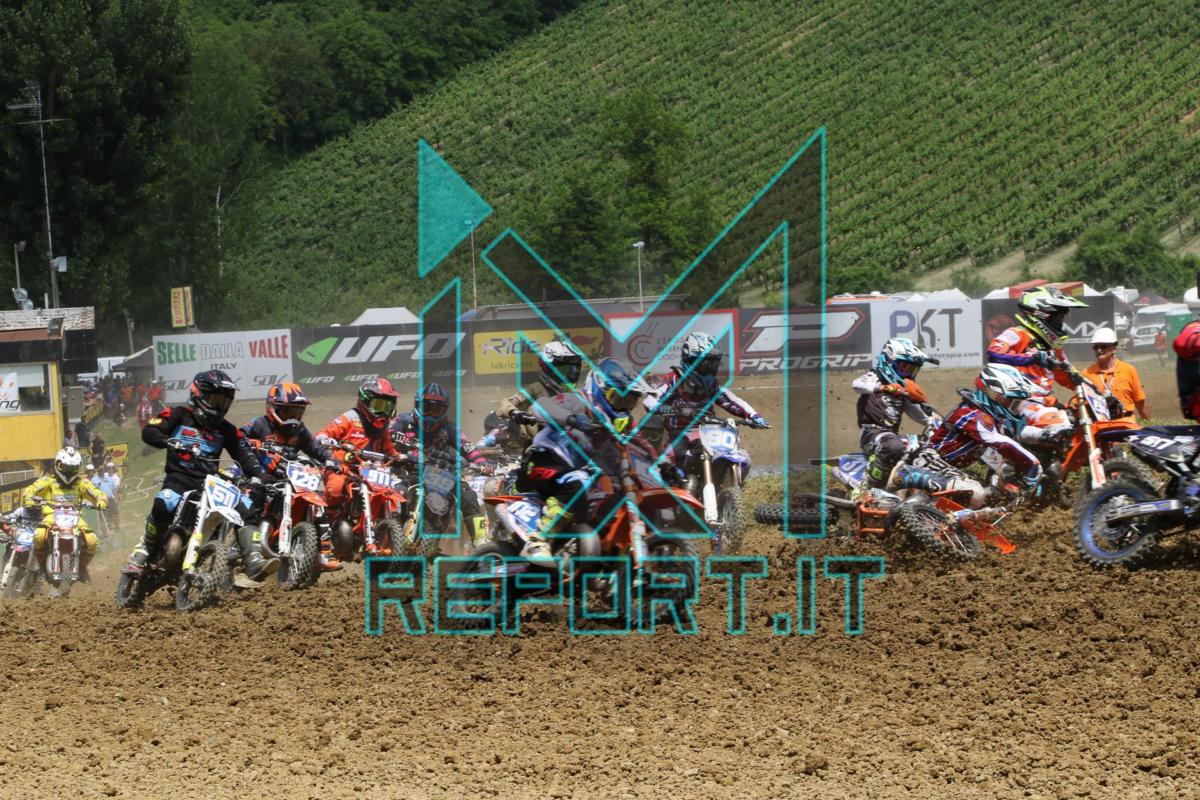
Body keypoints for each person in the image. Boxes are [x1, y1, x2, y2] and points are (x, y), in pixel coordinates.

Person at [125, 370, 266, 571]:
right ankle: (146, 547)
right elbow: (150, 431)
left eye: (224, 402)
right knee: (163, 503)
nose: (220, 407)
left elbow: (244, 456)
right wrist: (166, 440)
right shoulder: (178, 414)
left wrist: (261, 476)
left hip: (210, 483)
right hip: (179, 478)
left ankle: (253, 559)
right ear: (198, 395)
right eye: (215, 400)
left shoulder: (226, 429)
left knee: (246, 507)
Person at [519, 358, 654, 560]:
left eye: (629, 402)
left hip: (578, 472)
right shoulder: (577, 401)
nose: (622, 407)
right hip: (545, 460)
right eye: (618, 398)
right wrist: (573, 419)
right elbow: (540, 406)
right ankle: (538, 540)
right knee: (581, 480)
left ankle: (608, 554)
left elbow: (642, 444)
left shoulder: (623, 422)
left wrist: (662, 464)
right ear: (600, 388)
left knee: (615, 490)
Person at [641, 332, 768, 478]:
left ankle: (727, 486)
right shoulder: (673, 380)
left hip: (710, 431)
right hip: (679, 434)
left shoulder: (712, 385)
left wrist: (753, 415)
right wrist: (670, 409)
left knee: (744, 459)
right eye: (706, 364)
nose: (710, 369)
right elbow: (649, 402)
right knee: (665, 463)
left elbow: (731, 400)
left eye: (713, 364)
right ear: (690, 360)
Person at [241, 382, 338, 573]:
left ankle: (323, 552)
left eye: (297, 412)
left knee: (318, 501)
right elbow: (238, 439)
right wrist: (250, 444)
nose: (293, 418)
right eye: (288, 412)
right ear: (273, 408)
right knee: (252, 497)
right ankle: (239, 547)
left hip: (288, 479)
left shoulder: (300, 431)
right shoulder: (259, 424)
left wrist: (331, 460)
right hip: (259, 476)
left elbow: (316, 448)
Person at [390, 383, 492, 549]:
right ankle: (389, 533)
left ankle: (481, 542)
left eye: (436, 409)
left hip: (441, 474)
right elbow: (388, 433)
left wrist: (483, 464)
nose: (430, 414)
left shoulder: (450, 428)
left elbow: (467, 447)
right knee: (397, 492)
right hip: (409, 471)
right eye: (426, 408)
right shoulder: (403, 420)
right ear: (417, 405)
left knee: (469, 496)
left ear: (444, 410)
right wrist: (400, 442)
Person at [926, 365, 1046, 495]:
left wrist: (1004, 482)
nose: (1014, 409)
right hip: (929, 463)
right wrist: (1033, 465)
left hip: (945, 468)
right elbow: (1002, 443)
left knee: (990, 493)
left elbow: (990, 455)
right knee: (976, 492)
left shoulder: (986, 420)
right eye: (1012, 403)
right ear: (994, 395)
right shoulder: (972, 414)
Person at [987, 286, 1087, 439]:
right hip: (1018, 402)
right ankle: (1016, 439)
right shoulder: (1017, 333)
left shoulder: (1052, 346)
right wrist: (1031, 358)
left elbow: (1068, 374)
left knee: (1080, 419)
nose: (1062, 324)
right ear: (1042, 314)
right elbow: (994, 352)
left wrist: (1096, 393)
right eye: (1059, 318)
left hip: (1044, 401)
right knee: (1059, 424)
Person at [315, 378, 400, 554]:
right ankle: (327, 531)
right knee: (335, 488)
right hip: (343, 468)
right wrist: (325, 439)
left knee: (393, 492)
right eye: (378, 405)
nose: (383, 411)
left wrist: (400, 457)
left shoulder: (383, 429)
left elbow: (389, 450)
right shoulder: (349, 418)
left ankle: (389, 536)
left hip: (371, 472)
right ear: (365, 402)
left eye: (387, 406)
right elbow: (324, 433)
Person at [849, 337, 938, 490]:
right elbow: (857, 385)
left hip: (891, 435)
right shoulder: (875, 377)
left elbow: (916, 412)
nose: (908, 373)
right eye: (904, 367)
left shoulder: (901, 392)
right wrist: (882, 388)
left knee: (926, 447)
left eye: (912, 369)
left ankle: (915, 487)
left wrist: (933, 422)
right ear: (889, 361)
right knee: (894, 446)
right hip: (872, 433)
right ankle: (867, 486)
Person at [478, 341, 584, 454]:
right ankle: (482, 446)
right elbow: (507, 403)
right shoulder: (537, 389)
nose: (570, 375)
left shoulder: (576, 395)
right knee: (504, 420)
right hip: (521, 438)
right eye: (565, 370)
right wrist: (514, 413)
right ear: (547, 368)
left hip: (551, 443)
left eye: (574, 370)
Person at [21, 447, 108, 581]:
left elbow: (97, 493)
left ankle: (82, 568)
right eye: (66, 467)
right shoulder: (48, 481)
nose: (69, 471)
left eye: (73, 468)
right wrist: (29, 499)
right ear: (58, 465)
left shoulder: (82, 483)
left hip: (75, 517)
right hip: (52, 516)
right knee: (38, 536)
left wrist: (101, 501)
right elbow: (30, 490)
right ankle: (42, 567)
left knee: (92, 540)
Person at [1081, 327, 1149, 422]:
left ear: (1114, 348)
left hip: (1126, 424)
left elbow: (1140, 401)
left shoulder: (1128, 370)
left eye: (1103, 346)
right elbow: (1080, 404)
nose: (1099, 350)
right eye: (1096, 347)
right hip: (1099, 426)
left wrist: (1147, 423)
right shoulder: (1086, 374)